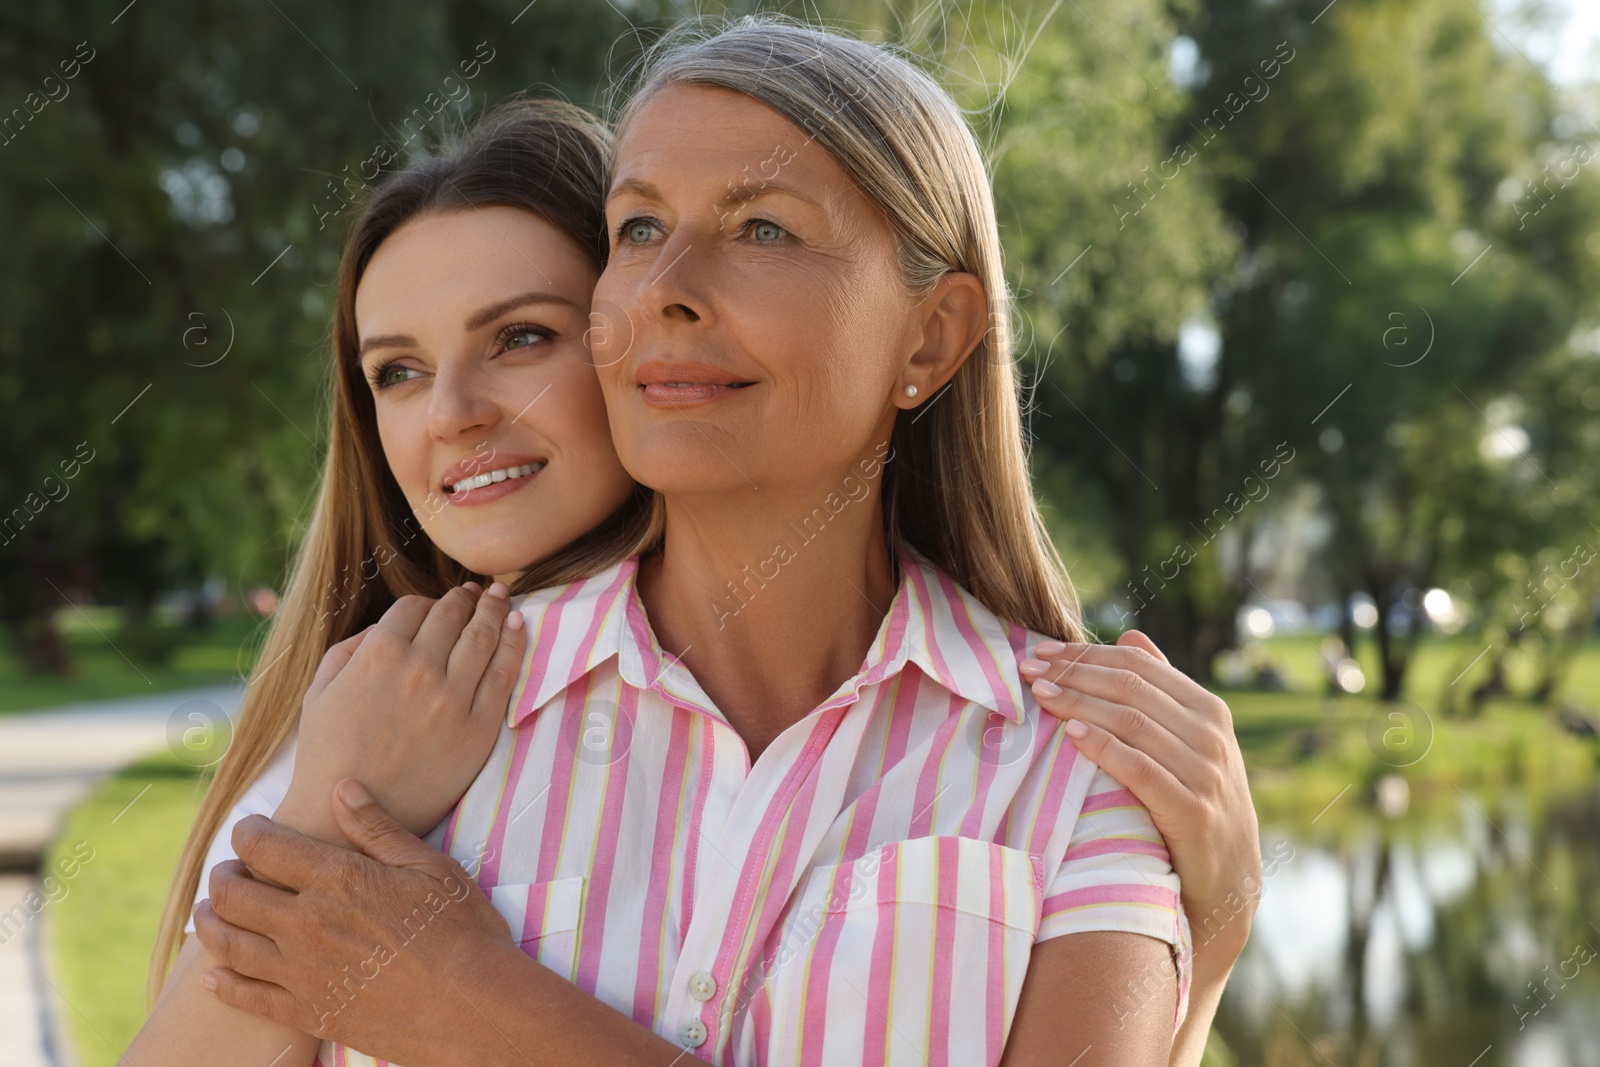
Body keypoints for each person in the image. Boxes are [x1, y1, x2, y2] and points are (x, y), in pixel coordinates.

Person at [133, 21, 1261, 1067]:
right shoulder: (410, 727)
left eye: (761, 227)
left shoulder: (1076, 767)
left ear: (931, 335)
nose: (665, 290)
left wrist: (476, 1004)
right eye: (637, 231)